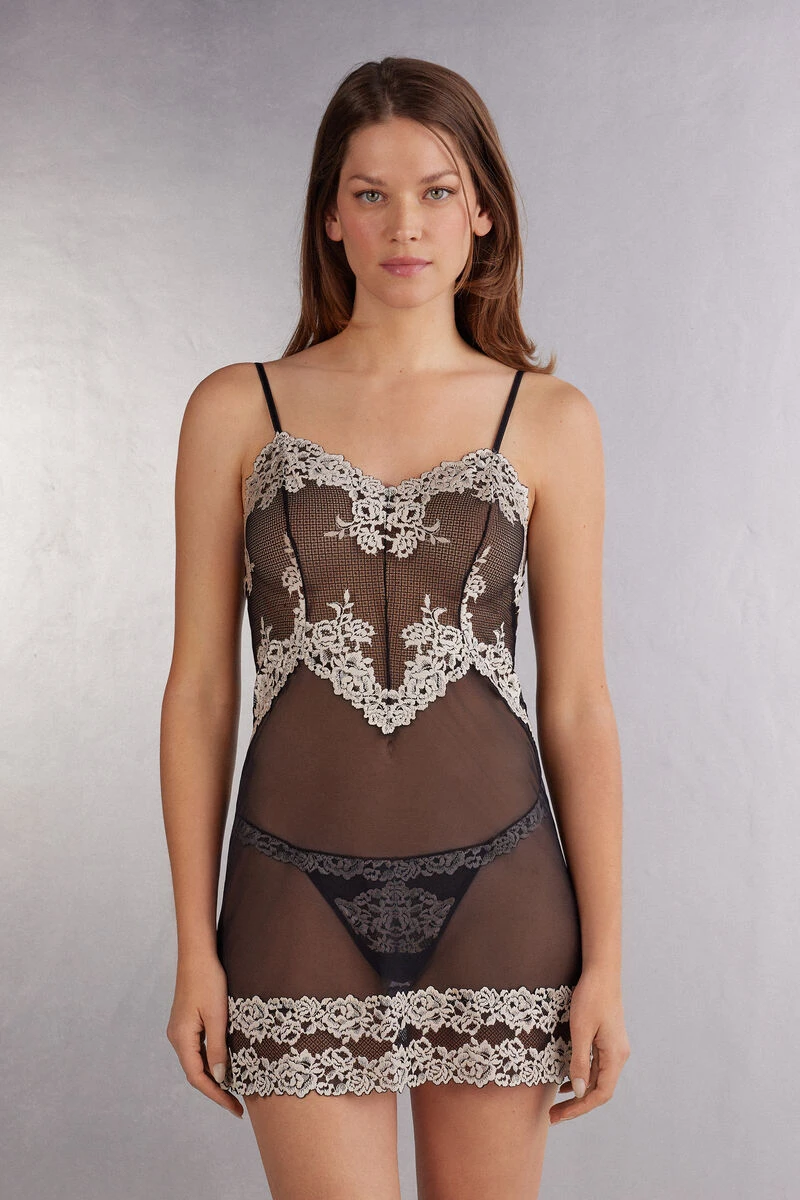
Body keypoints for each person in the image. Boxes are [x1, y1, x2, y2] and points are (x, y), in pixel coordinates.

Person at [161, 54, 630, 1200]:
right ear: (329, 216)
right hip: (287, 895)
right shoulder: (235, 408)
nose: (403, 224)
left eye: (434, 190)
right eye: (369, 193)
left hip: (503, 895)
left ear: (482, 212)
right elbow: (201, 692)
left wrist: (607, 964)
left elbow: (575, 702)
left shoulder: (548, 419)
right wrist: (191, 950)